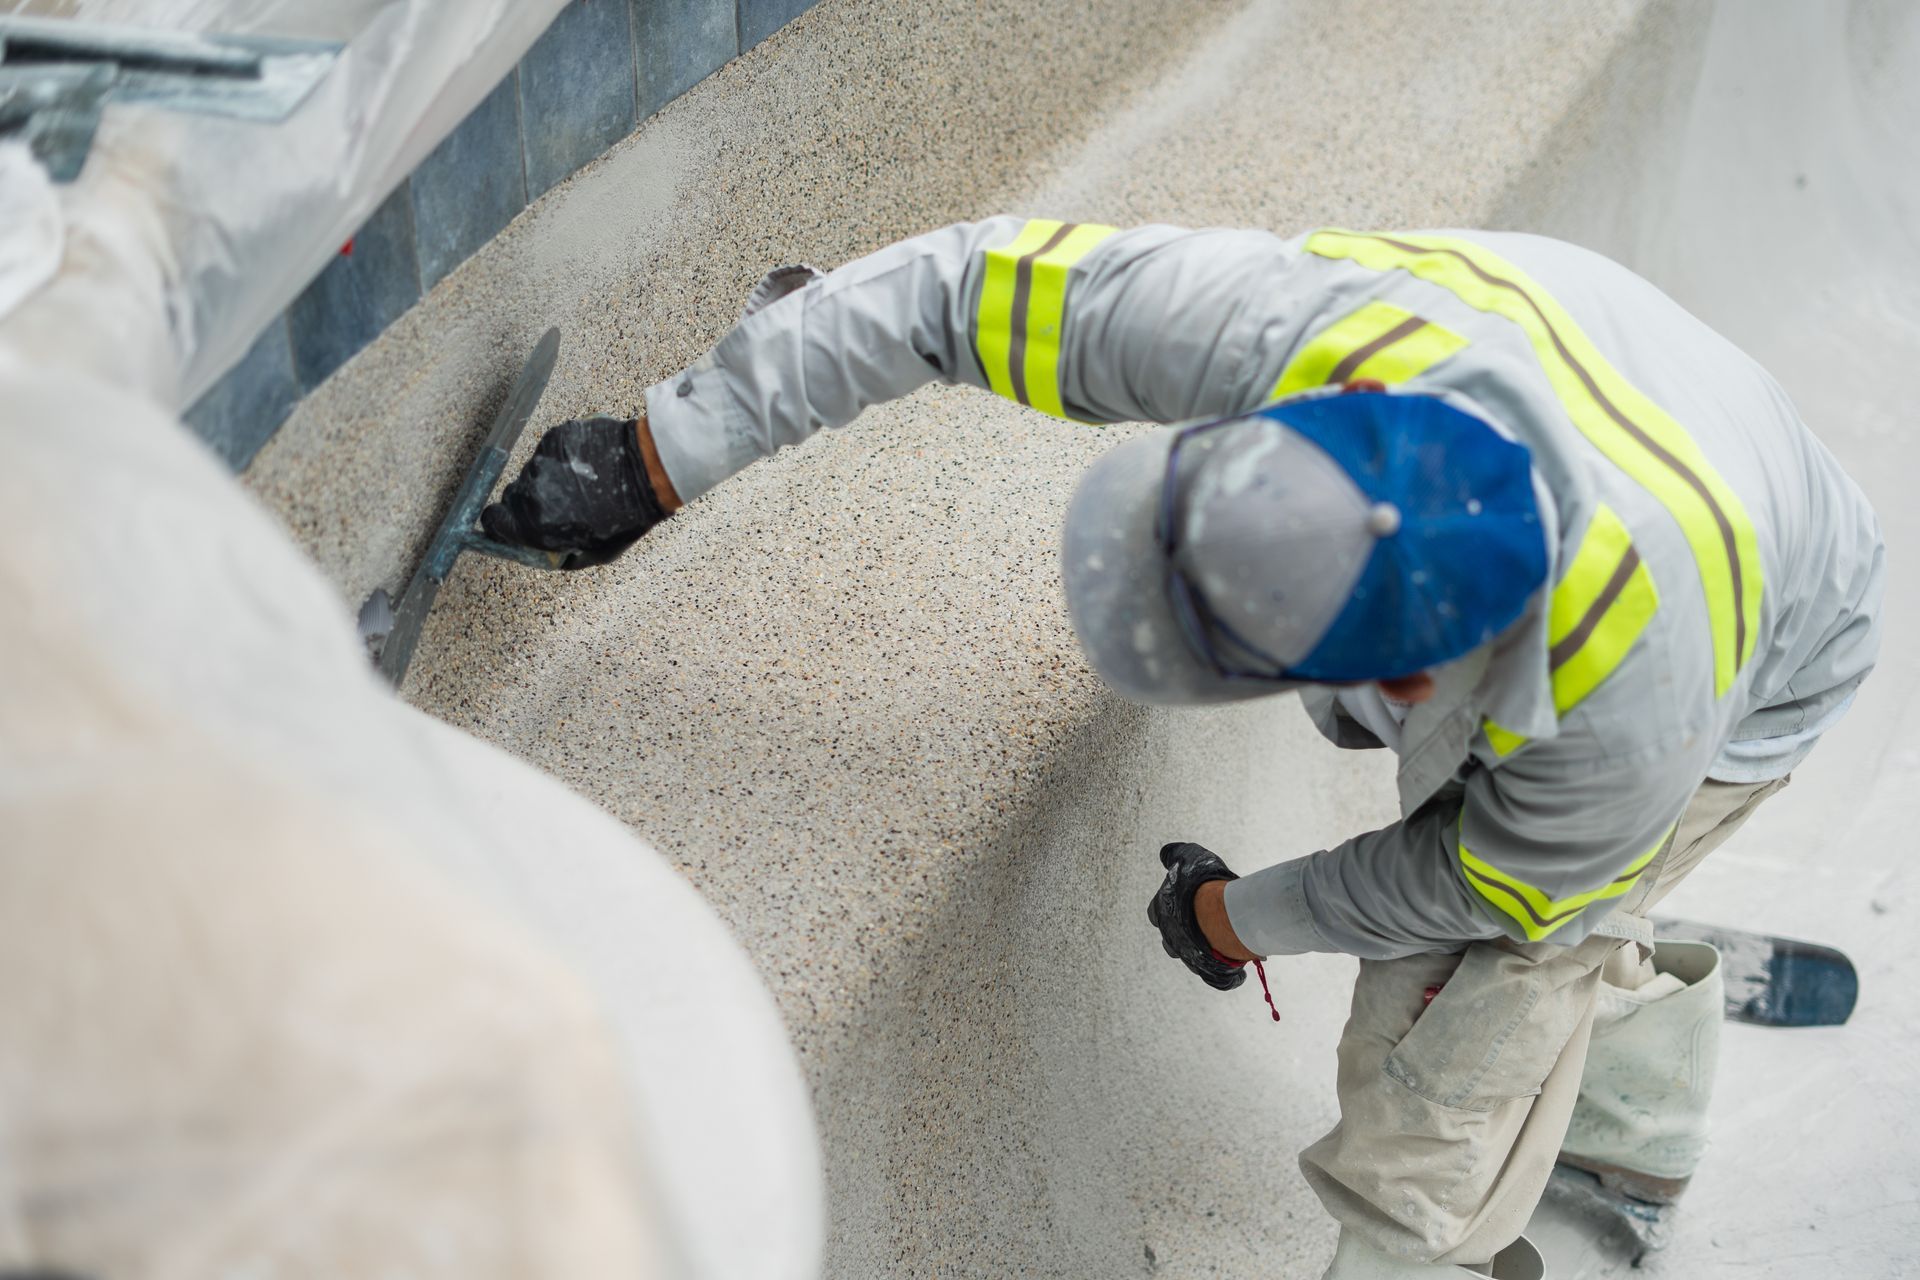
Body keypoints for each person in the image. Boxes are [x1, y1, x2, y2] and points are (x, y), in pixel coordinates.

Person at [479, 219, 1884, 1278]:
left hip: (1767, 653)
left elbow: (1474, 885)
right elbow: (961, 294)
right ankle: (1633, 1096)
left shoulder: (1621, 693)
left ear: (1404, 674)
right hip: (1640, 425)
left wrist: (1239, 915)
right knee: (1549, 910)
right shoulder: (1300, 327)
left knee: (1448, 1031)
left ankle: (1495, 1191)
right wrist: (663, 451)